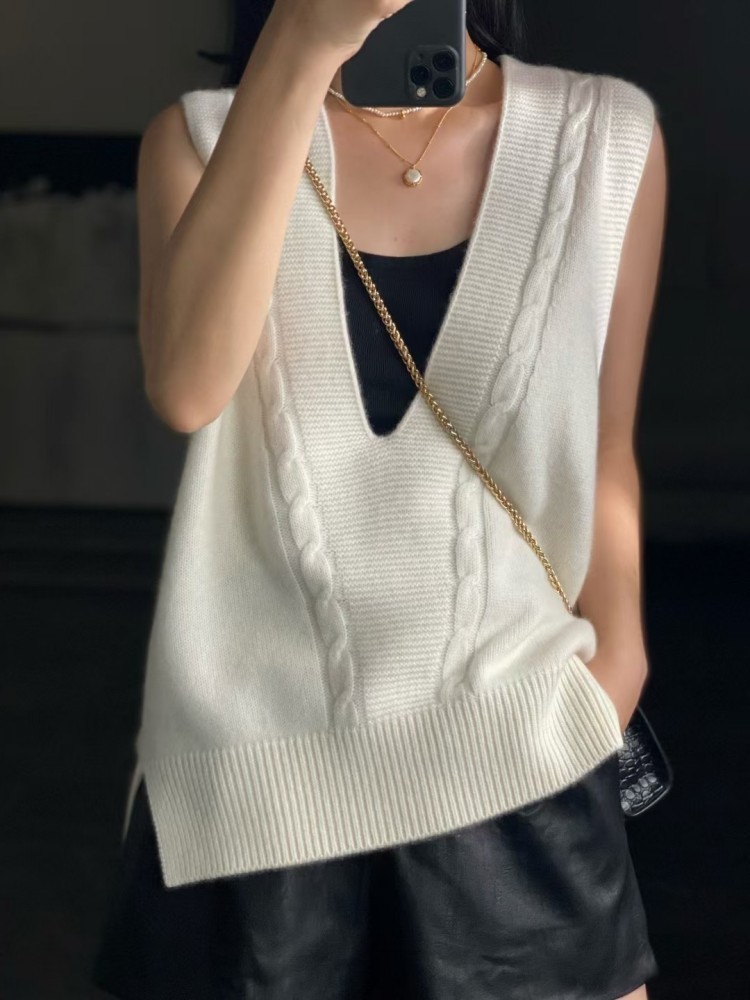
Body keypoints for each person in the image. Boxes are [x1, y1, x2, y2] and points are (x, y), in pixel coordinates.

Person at [92, 0, 669, 997]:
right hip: (255, 786)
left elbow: (606, 449)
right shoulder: (197, 140)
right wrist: (298, 48)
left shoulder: (606, 137)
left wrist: (615, 665)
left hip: (520, 753)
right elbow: (188, 389)